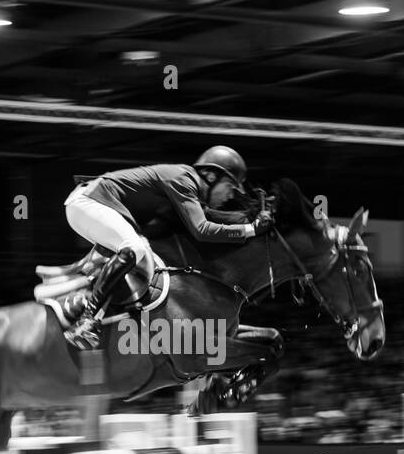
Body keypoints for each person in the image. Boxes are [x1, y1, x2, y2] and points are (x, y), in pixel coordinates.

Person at [58, 146, 273, 347]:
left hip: (93, 204)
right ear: (210, 176)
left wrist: (251, 220)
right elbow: (203, 229)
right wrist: (251, 229)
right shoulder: (184, 179)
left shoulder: (188, 187)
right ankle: (85, 321)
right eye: (229, 187)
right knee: (135, 247)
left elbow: (209, 220)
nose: (230, 196)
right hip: (89, 201)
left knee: (139, 250)